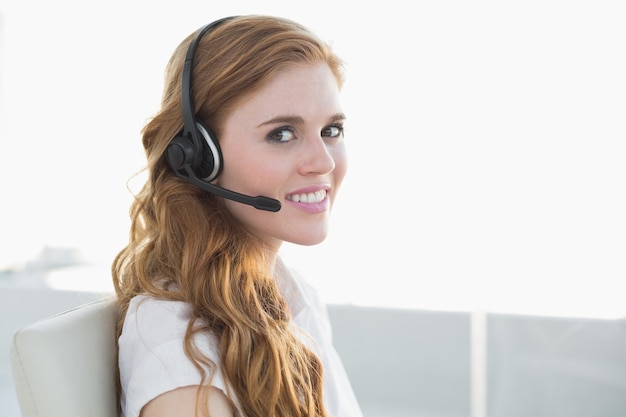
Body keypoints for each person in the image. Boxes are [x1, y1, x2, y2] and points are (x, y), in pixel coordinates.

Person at [112, 15, 363, 417]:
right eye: (282, 133)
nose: (322, 162)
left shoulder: (294, 297)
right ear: (200, 157)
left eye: (331, 130)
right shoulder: (178, 350)